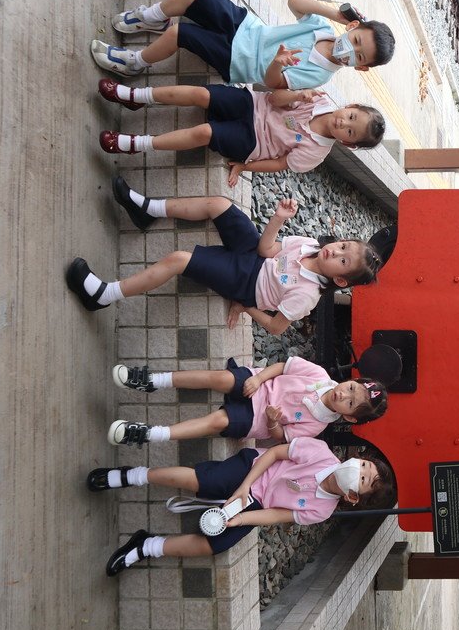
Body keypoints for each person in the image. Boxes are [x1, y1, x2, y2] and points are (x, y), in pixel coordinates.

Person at [65, 181, 381, 335]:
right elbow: (266, 250)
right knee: (219, 203)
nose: (336, 251)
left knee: (179, 259)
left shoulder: (307, 295)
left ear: (340, 280)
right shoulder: (309, 245)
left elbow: (276, 327)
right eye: (343, 246)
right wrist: (278, 219)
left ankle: (104, 295)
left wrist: (246, 306)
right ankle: (146, 209)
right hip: (254, 256)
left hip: (246, 282)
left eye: (343, 261)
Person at [87, 438, 395, 575]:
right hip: (254, 470)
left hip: (258, 503)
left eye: (363, 479)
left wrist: (239, 519)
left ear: (352, 497)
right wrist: (244, 486)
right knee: (203, 481)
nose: (358, 469)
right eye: (363, 464)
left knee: (216, 544)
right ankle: (131, 475)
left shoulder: (322, 511)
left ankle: (145, 546)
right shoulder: (320, 452)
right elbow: (273, 454)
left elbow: (276, 514)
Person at [96, 79, 385, 186]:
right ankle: (135, 95)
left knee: (205, 132)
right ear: (350, 105)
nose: (343, 124)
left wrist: (245, 166)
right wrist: (299, 94)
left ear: (348, 144)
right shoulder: (319, 99)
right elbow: (274, 99)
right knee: (201, 94)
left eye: (350, 131)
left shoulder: (316, 153)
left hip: (253, 141)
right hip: (252, 104)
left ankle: (135, 144)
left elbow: (280, 163)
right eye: (350, 117)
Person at [91, 0, 395, 89]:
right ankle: (152, 16)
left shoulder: (320, 75)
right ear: (353, 27)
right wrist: (335, 14)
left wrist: (278, 63)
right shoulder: (322, 28)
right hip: (246, 27)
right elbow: (295, 1)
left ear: (361, 67)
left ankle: (135, 62)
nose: (350, 50)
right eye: (356, 40)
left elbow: (272, 83)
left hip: (238, 60)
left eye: (358, 56)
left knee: (179, 33)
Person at [105, 356, 388, 446]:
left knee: (218, 421)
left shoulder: (316, 426)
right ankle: (154, 380)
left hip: (256, 420)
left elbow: (282, 437)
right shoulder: (319, 375)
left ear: (348, 417)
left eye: (350, 403)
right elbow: (282, 367)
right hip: (257, 385)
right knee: (222, 378)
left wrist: (273, 423)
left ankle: (150, 434)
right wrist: (259, 377)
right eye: (351, 388)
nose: (343, 394)